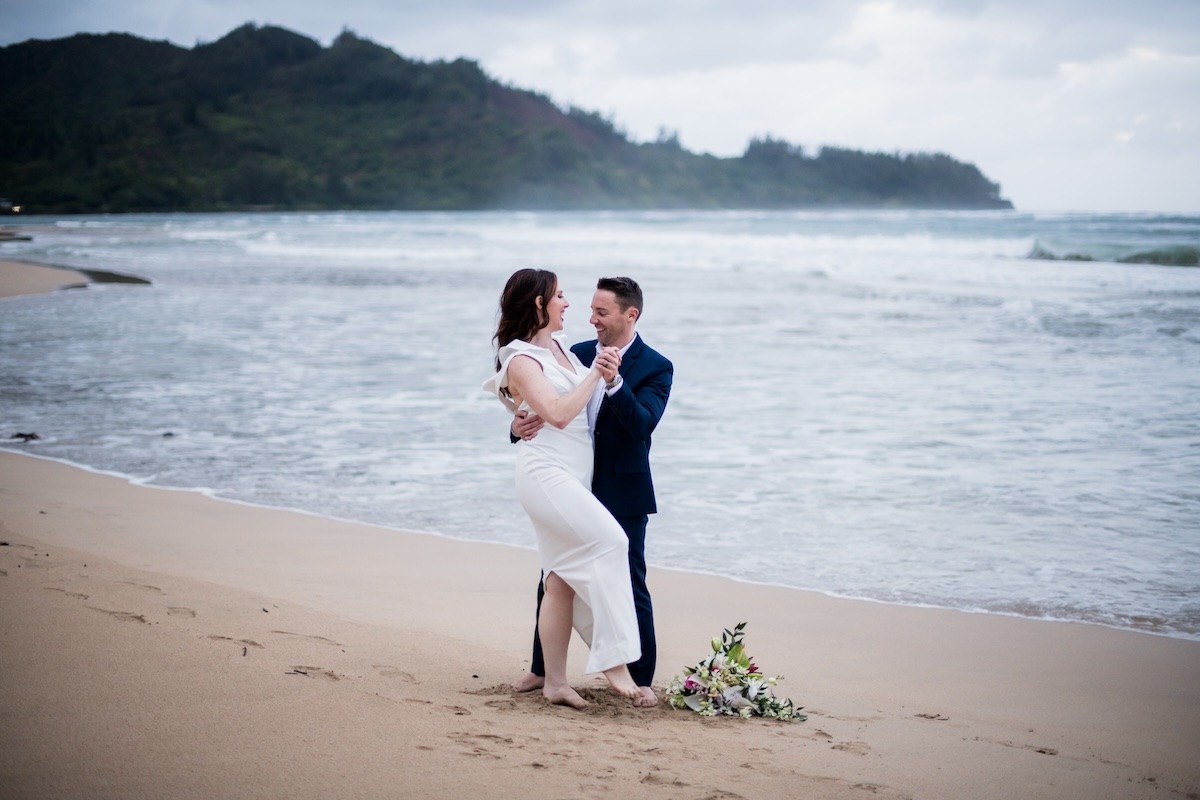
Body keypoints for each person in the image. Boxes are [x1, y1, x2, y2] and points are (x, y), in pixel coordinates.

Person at [483, 268, 643, 709]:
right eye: (560, 296)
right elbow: (556, 414)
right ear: (538, 303)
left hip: (576, 474)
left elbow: (533, 408)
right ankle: (614, 661)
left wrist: (516, 416)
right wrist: (596, 373)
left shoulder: (559, 350)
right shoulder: (518, 357)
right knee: (612, 541)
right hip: (546, 473)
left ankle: (554, 682)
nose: (568, 303)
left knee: (558, 581)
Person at [510, 276, 673, 709]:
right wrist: (515, 426)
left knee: (630, 576)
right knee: (554, 576)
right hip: (567, 479)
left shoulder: (657, 366)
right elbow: (537, 400)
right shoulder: (574, 353)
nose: (591, 318)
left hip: (621, 485)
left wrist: (616, 383)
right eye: (590, 310)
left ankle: (639, 676)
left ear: (629, 314)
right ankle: (544, 670)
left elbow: (642, 426)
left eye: (601, 312)